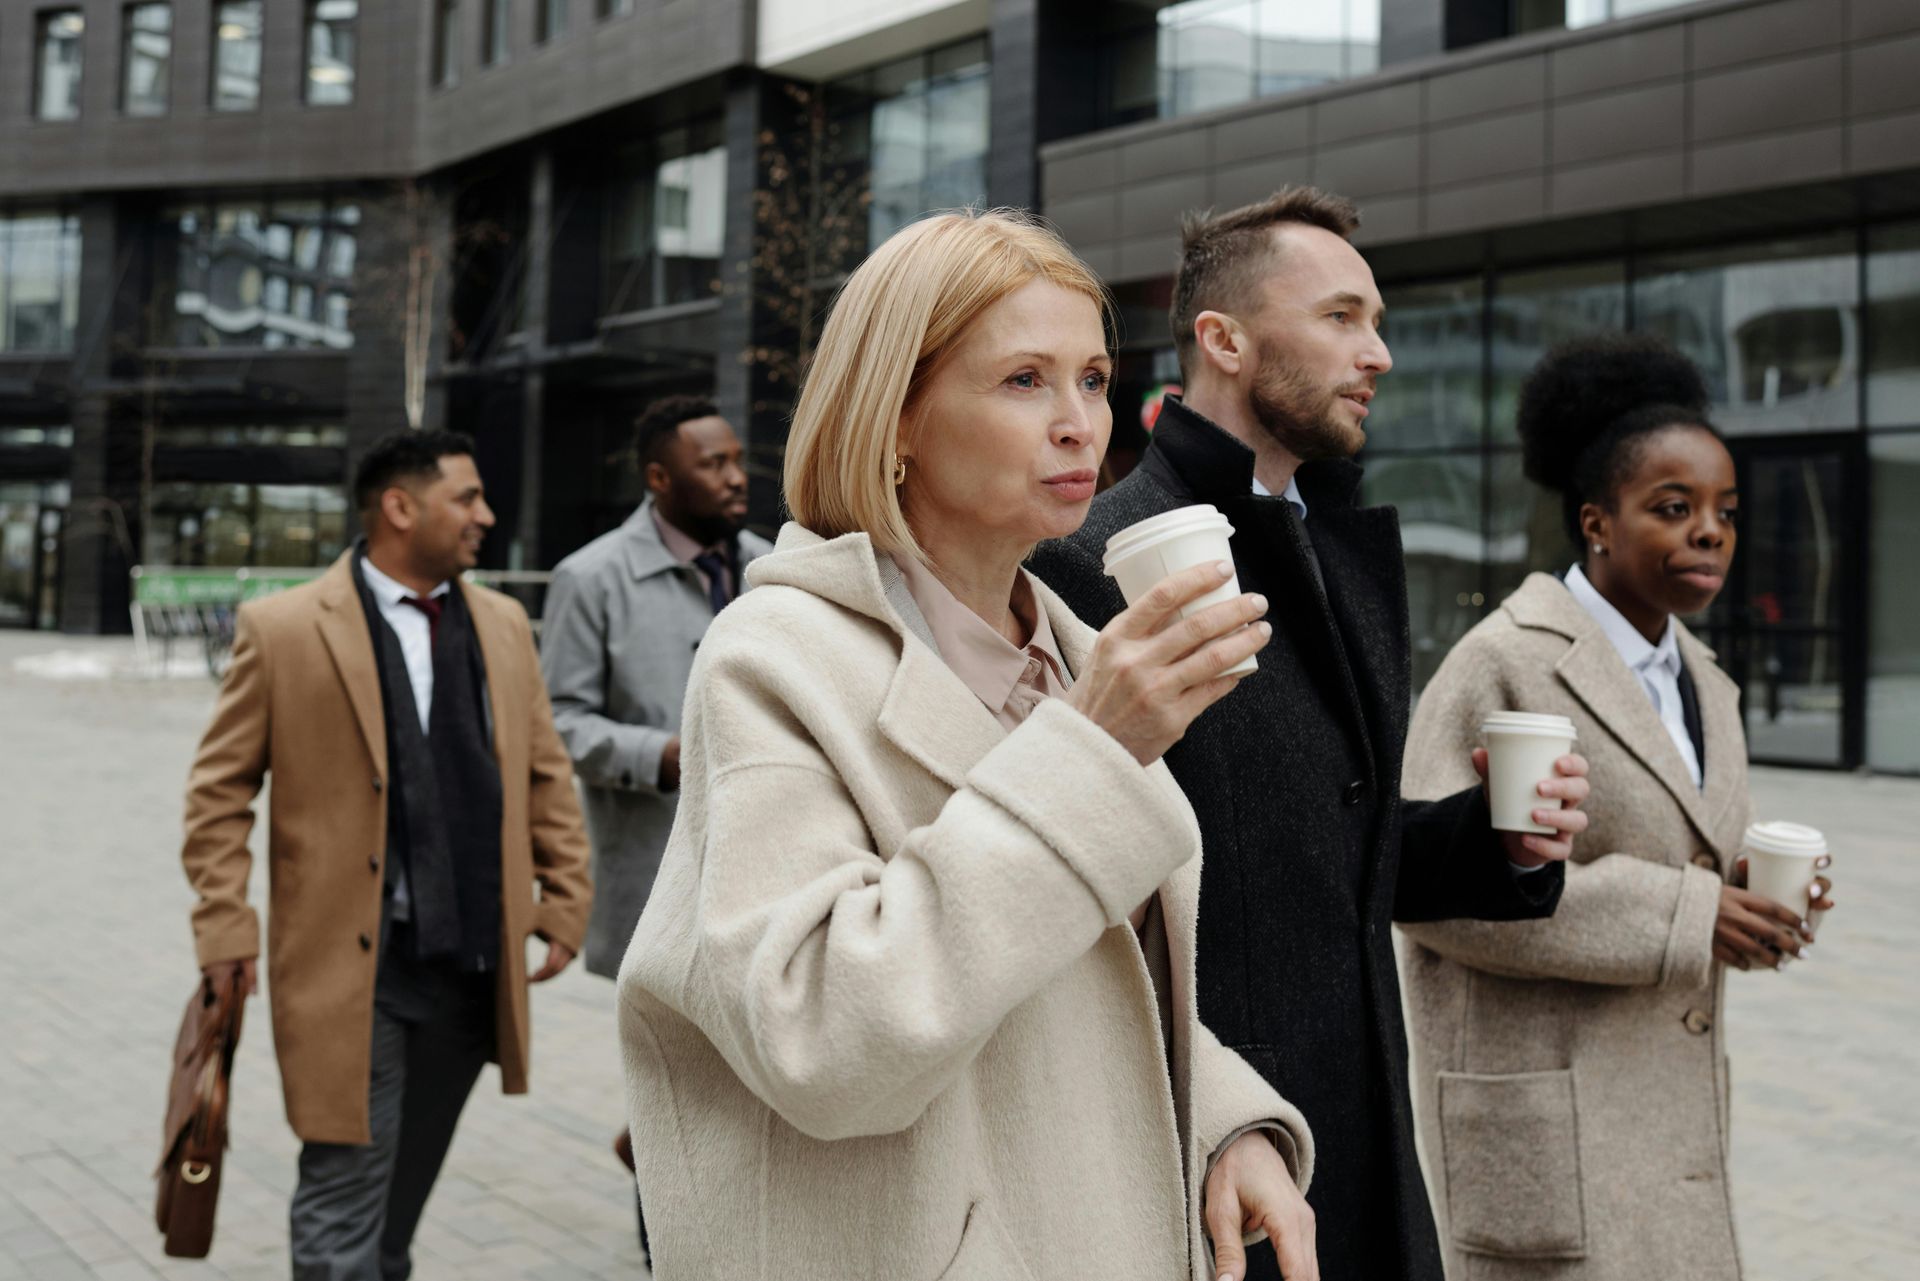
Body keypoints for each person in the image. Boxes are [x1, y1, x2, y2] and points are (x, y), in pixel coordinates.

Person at [617, 209, 1322, 1281]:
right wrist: (1089, 751)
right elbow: (823, 1038)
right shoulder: (775, 655)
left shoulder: (1079, 648)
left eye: (1092, 378)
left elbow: (1084, 978)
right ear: (894, 415)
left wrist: (1229, 1121)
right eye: (1023, 381)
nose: (1081, 422)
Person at [1029, 186, 1591, 1281]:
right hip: (1211, 1164)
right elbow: (1089, 899)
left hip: (1364, 1132)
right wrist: (1211, 1121)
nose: (1375, 353)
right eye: (1341, 318)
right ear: (1224, 339)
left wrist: (1494, 842)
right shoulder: (1096, 560)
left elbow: (1325, 861)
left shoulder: (1333, 547)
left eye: (1376, 322)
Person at [1397, 334, 1834, 1279]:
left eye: (1724, 510)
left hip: (1671, 1122)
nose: (1709, 532)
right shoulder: (1503, 659)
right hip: (1552, 1127)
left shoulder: (1706, 682)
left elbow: (1687, 861)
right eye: (1672, 509)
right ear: (1597, 521)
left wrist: (1746, 895)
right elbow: (1431, 894)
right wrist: (1689, 912)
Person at [180, 430, 593, 1280]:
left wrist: (564, 894)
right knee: (342, 1190)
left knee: (400, 1199)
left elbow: (544, 768)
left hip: (473, 959)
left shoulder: (503, 623)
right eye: (466, 498)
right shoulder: (285, 627)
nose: (486, 515)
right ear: (400, 508)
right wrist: (226, 924)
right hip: (348, 966)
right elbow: (217, 793)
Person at [538, 395, 771, 1243]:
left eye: (737, 458)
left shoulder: (771, 564)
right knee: (679, 1092)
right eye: (713, 464)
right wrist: (662, 754)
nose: (737, 475)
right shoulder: (590, 577)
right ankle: (665, 1245)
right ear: (658, 477)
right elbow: (557, 721)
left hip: (773, 870)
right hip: (660, 882)